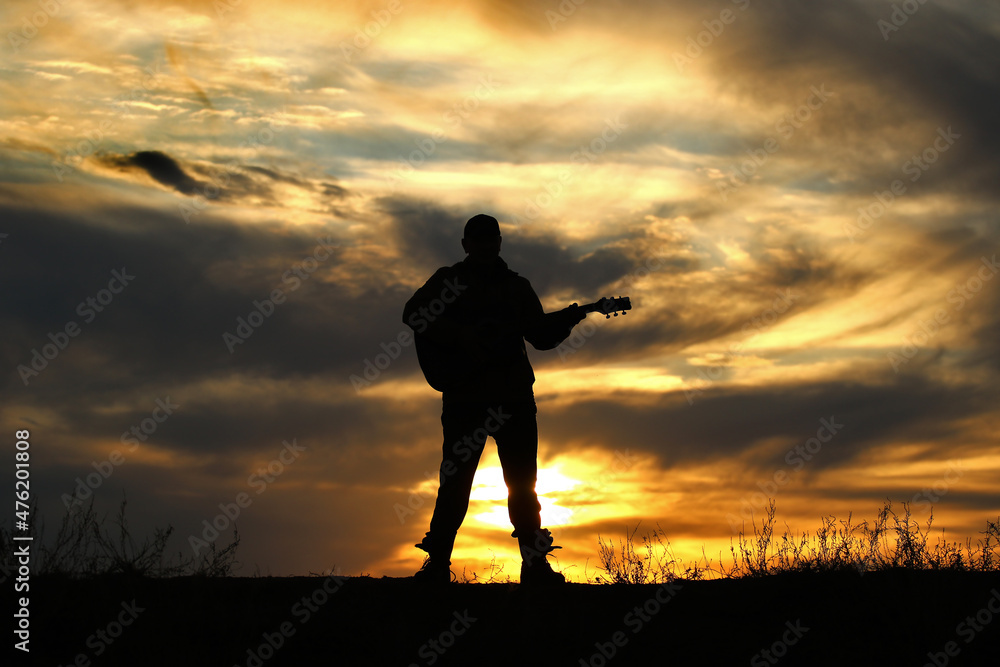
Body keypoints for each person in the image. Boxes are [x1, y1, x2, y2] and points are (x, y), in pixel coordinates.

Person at [402, 214, 587, 585]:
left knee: (523, 484)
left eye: (492, 239)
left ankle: (534, 566)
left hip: (513, 398)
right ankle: (436, 566)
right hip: (465, 398)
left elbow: (540, 337)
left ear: (499, 242)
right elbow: (414, 314)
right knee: (454, 484)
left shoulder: (516, 287)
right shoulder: (448, 281)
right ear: (466, 244)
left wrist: (573, 317)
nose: (487, 245)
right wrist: (461, 336)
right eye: (479, 239)